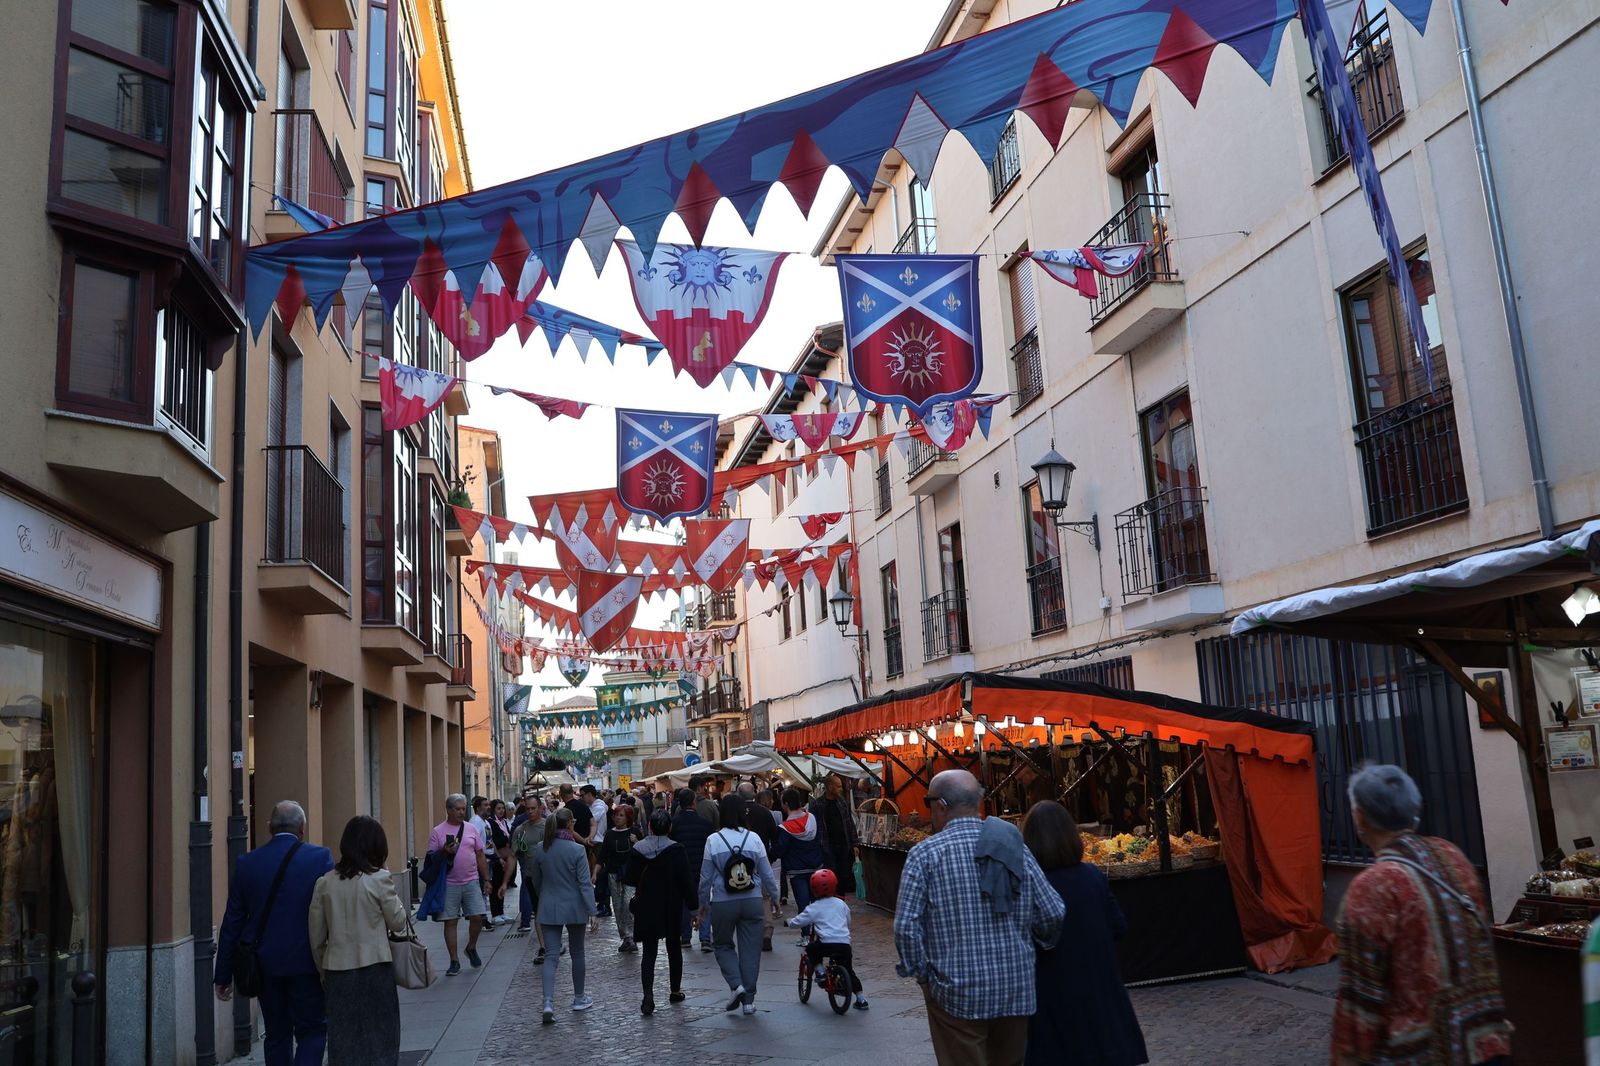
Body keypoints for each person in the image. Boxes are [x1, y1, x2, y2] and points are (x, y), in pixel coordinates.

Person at [1331, 764, 1511, 1065]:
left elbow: (1359, 999)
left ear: (1360, 816)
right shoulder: (1451, 855)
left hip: (1422, 1051)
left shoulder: (1373, 886)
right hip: (1485, 1041)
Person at [894, 770, 1063, 1066]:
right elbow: (1052, 912)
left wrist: (923, 977)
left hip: (956, 992)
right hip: (1014, 987)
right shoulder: (1015, 847)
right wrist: (1032, 946)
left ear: (941, 805)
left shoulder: (925, 855)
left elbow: (906, 928)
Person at [1020, 801, 1146, 1066]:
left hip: (1053, 992)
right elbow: (1119, 926)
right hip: (1099, 987)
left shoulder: (1031, 883)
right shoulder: (1091, 875)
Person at [214, 800, 335, 1066]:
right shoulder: (320, 858)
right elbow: (331, 913)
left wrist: (222, 974)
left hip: (264, 965)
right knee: (313, 1030)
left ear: (269, 827)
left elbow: (232, 922)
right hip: (307, 963)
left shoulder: (248, 863)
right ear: (302, 828)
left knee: (277, 1033)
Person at [308, 815, 410, 1066]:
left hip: (338, 971)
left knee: (343, 1039)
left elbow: (316, 936)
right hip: (375, 967)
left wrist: (323, 969)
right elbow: (398, 921)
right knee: (381, 1036)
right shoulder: (379, 879)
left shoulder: (325, 883)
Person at [697, 811, 781, 1015]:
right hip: (752, 900)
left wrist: (702, 904)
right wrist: (775, 897)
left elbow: (705, 876)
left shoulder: (713, 840)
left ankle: (737, 985)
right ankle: (749, 1002)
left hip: (723, 901)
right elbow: (767, 872)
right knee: (751, 950)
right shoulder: (754, 838)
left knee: (723, 945)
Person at [528, 806, 598, 1024]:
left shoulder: (541, 849)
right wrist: (592, 910)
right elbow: (585, 884)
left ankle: (548, 1002)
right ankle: (578, 998)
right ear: (570, 824)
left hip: (549, 905)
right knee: (577, 952)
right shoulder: (577, 850)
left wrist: (545, 896)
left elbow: (536, 880)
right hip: (574, 906)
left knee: (551, 956)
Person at [625, 809, 697, 1015]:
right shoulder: (677, 850)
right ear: (670, 828)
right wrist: (693, 907)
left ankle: (648, 995)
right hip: (671, 904)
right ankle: (675, 990)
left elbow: (630, 878)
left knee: (649, 952)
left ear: (649, 827)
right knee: (674, 947)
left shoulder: (638, 849)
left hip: (647, 905)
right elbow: (686, 881)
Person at [426, 793, 492, 976]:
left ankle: (471, 947)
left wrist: (486, 879)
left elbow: (480, 854)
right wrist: (443, 851)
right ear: (448, 810)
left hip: (471, 880)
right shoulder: (438, 831)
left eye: (464, 809)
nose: (461, 812)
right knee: (450, 922)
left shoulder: (471, 829)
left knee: (478, 917)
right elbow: (431, 859)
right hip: (449, 883)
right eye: (458, 809)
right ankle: (454, 960)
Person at [787, 868, 869, 1011]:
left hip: (826, 943)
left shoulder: (814, 907)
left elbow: (799, 921)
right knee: (849, 971)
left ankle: (820, 972)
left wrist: (790, 922)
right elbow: (847, 920)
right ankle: (861, 999)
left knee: (811, 948)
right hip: (844, 944)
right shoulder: (841, 903)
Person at [774, 787, 826, 941]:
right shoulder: (812, 819)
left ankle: (806, 936)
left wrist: (770, 852)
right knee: (816, 902)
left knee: (803, 904)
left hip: (797, 870)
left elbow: (780, 849)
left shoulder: (785, 828)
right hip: (816, 866)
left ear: (785, 804)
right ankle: (820, 933)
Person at [670, 787, 715, 952]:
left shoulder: (673, 824)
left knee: (683, 904)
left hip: (682, 870)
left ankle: (685, 937)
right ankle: (705, 938)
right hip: (702, 869)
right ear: (694, 803)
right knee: (703, 902)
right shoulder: (705, 824)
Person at [598, 803, 643, 952]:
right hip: (613, 873)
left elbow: (644, 851)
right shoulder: (610, 834)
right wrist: (594, 872)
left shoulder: (635, 831)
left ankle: (632, 936)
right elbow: (602, 855)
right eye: (616, 814)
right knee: (617, 906)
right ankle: (625, 938)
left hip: (630, 873)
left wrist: (637, 842)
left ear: (628, 817)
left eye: (621, 815)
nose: (617, 817)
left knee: (628, 903)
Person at [809, 774, 860, 895]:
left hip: (843, 845)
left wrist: (855, 844)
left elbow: (849, 824)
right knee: (830, 875)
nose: (841, 789)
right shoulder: (817, 804)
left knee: (843, 876)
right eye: (838, 786)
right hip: (827, 846)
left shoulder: (842, 803)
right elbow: (814, 827)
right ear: (830, 787)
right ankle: (830, 899)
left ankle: (840, 899)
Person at [504, 798, 545, 934]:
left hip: (548, 877)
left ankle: (552, 944)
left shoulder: (549, 827)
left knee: (549, 912)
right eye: (528, 808)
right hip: (530, 876)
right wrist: (505, 882)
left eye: (533, 808)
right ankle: (544, 946)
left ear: (540, 808)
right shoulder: (520, 830)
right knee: (539, 912)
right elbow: (512, 856)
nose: (530, 811)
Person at [744, 800, 779, 950]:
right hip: (761, 856)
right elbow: (774, 835)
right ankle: (767, 929)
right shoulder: (764, 811)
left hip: (740, 861)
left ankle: (751, 931)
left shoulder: (737, 812)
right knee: (765, 897)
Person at [484, 799, 514, 927]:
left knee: (502, 884)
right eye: (498, 808)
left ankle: (501, 912)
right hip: (496, 859)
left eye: (503, 808)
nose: (501, 811)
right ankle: (495, 914)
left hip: (506, 858)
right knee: (495, 885)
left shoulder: (503, 822)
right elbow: (495, 840)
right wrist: (507, 839)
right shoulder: (491, 822)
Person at [582, 784, 612, 916]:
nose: (582, 798)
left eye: (583, 795)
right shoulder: (592, 807)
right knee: (596, 874)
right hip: (594, 844)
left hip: (598, 844)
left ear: (589, 794)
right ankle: (601, 903)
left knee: (600, 875)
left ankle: (604, 905)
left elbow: (591, 821)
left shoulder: (598, 808)